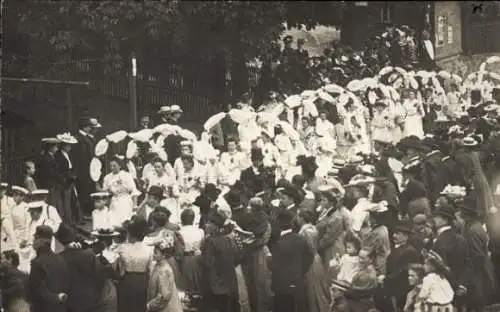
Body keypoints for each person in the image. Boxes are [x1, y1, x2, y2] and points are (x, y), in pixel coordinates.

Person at [269, 209, 313, 312]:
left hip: (282, 287)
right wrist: (300, 271)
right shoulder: (300, 239)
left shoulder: (279, 244)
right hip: (297, 281)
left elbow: (274, 267)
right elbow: (309, 257)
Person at [458, 197, 497, 311]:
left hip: (479, 273)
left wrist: (471, 278)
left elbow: (477, 256)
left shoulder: (472, 231)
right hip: (483, 269)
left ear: (466, 215)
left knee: (478, 303)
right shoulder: (476, 226)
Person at [56, 224, 102, 312]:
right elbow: (98, 276)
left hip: (69, 302)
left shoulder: (58, 258)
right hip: (90, 300)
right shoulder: (89, 254)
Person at [201, 211, 238, 312]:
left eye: (209, 223)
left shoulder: (210, 241)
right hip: (228, 280)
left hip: (214, 281)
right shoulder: (227, 239)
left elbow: (208, 263)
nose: (206, 225)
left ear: (215, 226)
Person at [27, 228, 70, 312]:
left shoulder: (37, 263)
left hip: (43, 308)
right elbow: (66, 284)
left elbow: (37, 292)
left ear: (41, 241)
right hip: (59, 308)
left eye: (36, 238)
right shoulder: (60, 258)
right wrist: (59, 297)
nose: (33, 242)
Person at [296, 209, 331, 312]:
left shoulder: (306, 231)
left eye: (298, 216)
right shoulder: (313, 228)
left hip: (311, 261)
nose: (296, 218)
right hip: (315, 259)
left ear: (302, 218)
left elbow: (310, 248)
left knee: (314, 289)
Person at [116, 215, 152, 312]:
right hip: (142, 281)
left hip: (126, 280)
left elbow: (118, 267)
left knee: (125, 306)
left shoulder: (122, 248)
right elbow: (150, 270)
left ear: (130, 233)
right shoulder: (149, 249)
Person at [383, 220, 421, 312]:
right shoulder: (398, 248)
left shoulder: (409, 251)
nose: (394, 236)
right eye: (394, 233)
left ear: (406, 236)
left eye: (397, 234)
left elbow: (403, 272)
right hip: (394, 288)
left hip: (402, 290)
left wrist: (386, 278)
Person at [72, 117, 102, 219]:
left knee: (90, 190)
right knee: (83, 191)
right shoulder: (77, 138)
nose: (90, 129)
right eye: (89, 127)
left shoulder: (89, 138)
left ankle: (89, 211)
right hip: (82, 170)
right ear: (85, 127)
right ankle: (84, 213)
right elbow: (78, 157)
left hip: (91, 169)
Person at [147, 233, 183, 312]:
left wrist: (149, 305)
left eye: (156, 253)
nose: (153, 255)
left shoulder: (164, 270)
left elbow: (164, 296)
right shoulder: (158, 265)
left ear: (164, 255)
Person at [102, 155, 138, 227]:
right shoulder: (108, 177)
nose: (112, 168)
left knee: (124, 222)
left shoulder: (126, 175)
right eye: (111, 166)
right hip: (114, 202)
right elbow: (106, 192)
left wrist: (135, 206)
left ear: (120, 165)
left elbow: (134, 191)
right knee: (113, 223)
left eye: (114, 166)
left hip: (125, 201)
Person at [55, 132, 81, 225]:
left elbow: (71, 166)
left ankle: (74, 220)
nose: (70, 147)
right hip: (64, 181)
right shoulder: (58, 155)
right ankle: (67, 221)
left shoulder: (68, 154)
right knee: (65, 202)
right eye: (68, 145)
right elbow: (59, 170)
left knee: (73, 199)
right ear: (63, 145)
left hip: (70, 180)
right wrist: (66, 178)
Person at [179, 208, 204, 294]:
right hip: (197, 257)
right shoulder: (200, 231)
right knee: (197, 281)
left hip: (185, 258)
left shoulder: (179, 232)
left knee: (185, 282)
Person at [36, 137, 64, 215]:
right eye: (55, 146)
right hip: (50, 184)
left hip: (53, 184)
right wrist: (61, 178)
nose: (57, 148)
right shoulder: (46, 158)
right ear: (50, 147)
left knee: (56, 203)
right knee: (53, 203)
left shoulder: (50, 156)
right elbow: (51, 173)